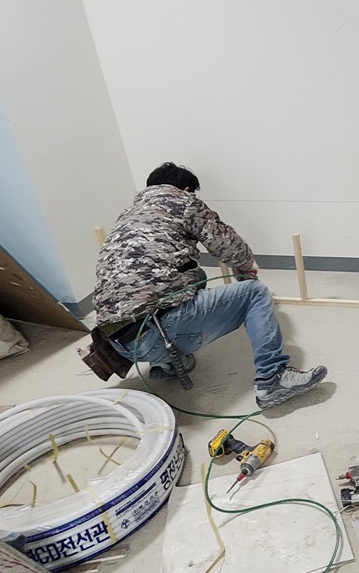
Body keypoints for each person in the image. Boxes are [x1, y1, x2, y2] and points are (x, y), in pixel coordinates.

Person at [93, 162, 327, 409]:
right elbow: (229, 247)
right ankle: (273, 378)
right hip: (157, 334)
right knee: (254, 293)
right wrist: (246, 267)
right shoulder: (183, 202)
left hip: (119, 344)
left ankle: (167, 364)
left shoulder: (128, 214)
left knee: (196, 276)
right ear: (185, 189)